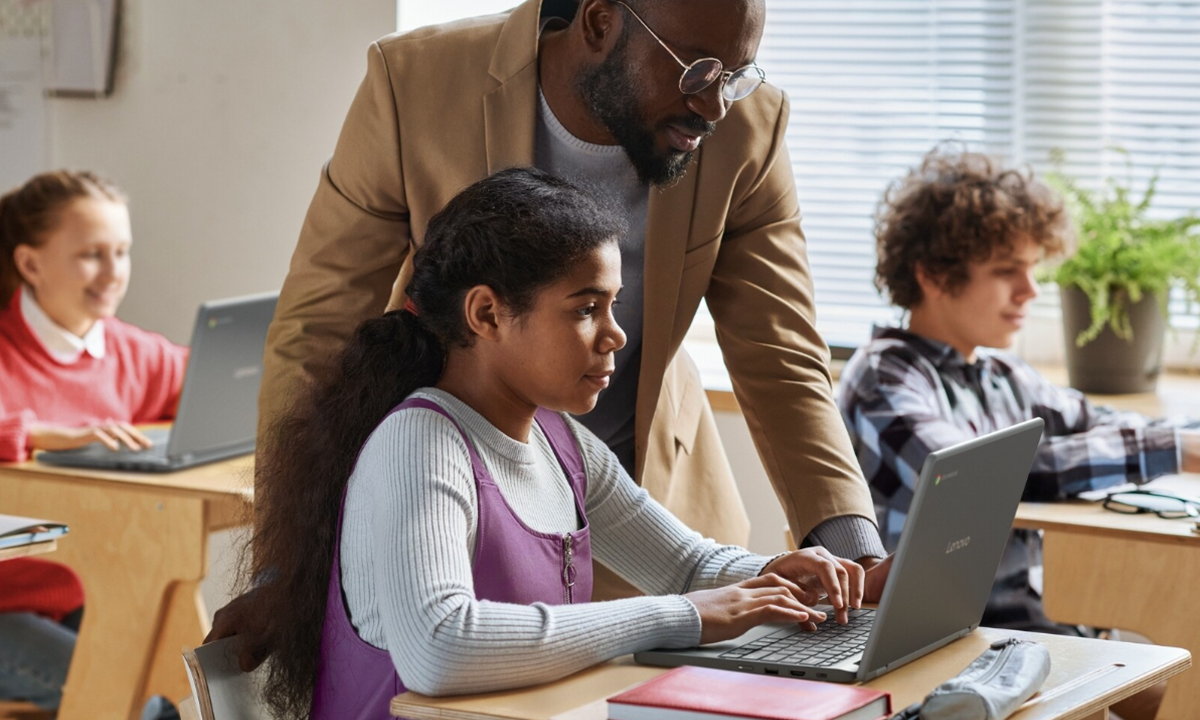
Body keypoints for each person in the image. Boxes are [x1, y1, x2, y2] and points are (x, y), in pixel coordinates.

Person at [251, 0, 887, 606]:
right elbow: (319, 331)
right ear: (600, 22)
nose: (714, 104)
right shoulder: (415, 85)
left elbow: (781, 355)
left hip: (657, 520)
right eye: (696, 68)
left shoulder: (747, 130)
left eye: (736, 74)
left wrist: (854, 555)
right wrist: (283, 566)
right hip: (458, 515)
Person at [248, 168, 871, 719]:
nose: (615, 335)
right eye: (585, 309)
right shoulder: (420, 443)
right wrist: (689, 616)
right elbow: (440, 647)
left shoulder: (557, 438)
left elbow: (685, 567)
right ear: (487, 314)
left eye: (613, 305)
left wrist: (773, 577)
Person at [837, 149, 1200, 633]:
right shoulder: (884, 376)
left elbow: (1110, 425)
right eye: (1007, 270)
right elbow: (975, 479)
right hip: (946, 627)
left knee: (1172, 652)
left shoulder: (1001, 373)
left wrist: (1181, 438)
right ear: (933, 274)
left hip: (1024, 609)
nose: (1030, 289)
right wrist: (1171, 449)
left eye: (1032, 268)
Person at [0, 170, 186, 718]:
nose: (113, 273)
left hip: (84, 596)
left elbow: (219, 397)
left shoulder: (134, 353)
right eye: (91, 255)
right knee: (140, 706)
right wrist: (31, 434)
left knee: (187, 692)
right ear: (30, 263)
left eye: (121, 252)